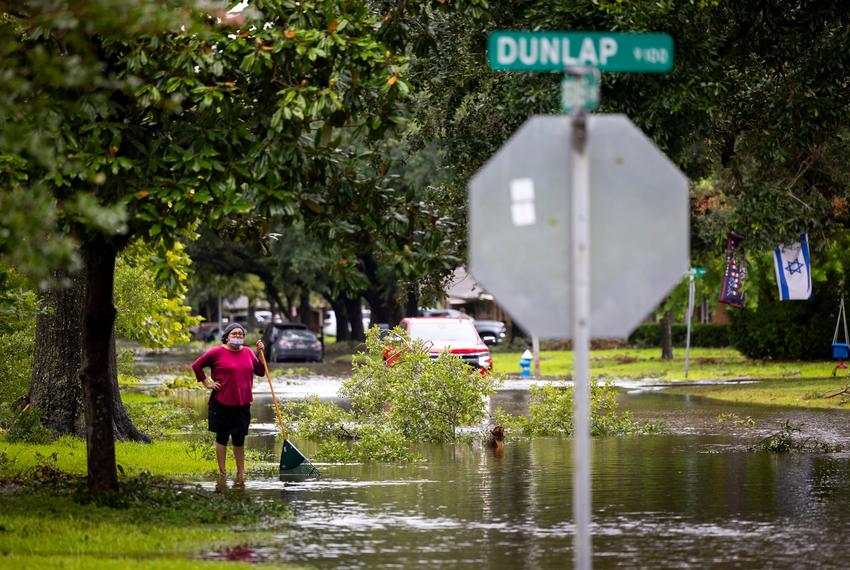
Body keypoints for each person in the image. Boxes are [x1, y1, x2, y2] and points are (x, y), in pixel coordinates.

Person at [191, 322, 265, 485]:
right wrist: (207, 382)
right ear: (226, 336)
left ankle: (241, 473)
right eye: (234, 333)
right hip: (221, 402)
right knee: (222, 438)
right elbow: (197, 365)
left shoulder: (247, 352)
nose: (238, 336)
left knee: (239, 439)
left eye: (241, 334)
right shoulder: (217, 352)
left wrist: (260, 354)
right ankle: (223, 473)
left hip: (243, 403)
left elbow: (260, 371)